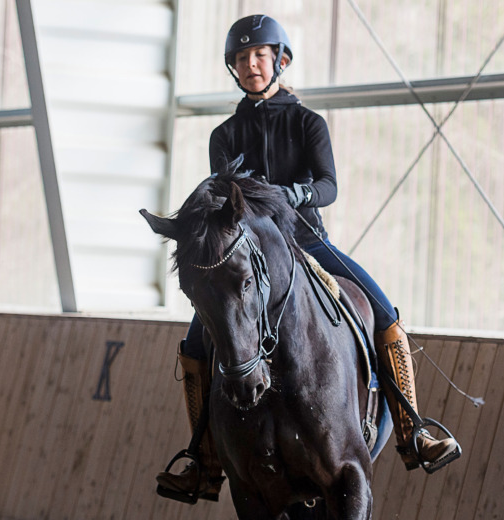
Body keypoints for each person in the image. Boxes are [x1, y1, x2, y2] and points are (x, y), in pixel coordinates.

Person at [156, 14, 460, 502]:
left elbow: (328, 186)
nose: (251, 64)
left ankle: (412, 430)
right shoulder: (224, 136)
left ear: (280, 59)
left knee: (385, 316)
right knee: (195, 345)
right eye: (241, 58)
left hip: (306, 240)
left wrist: (288, 195)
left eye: (259, 55)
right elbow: (223, 202)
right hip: (249, 254)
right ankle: (204, 461)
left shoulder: (307, 122)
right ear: (233, 68)